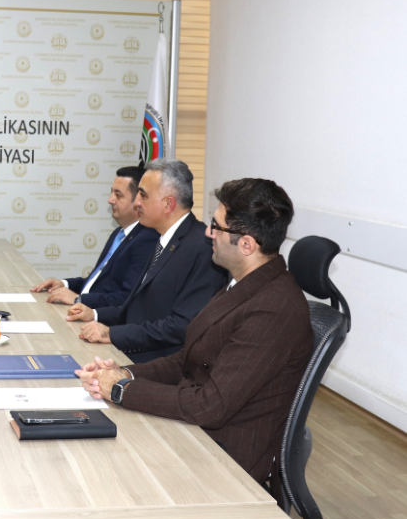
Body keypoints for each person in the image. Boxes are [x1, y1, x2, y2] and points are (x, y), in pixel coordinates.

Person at [77, 178, 313, 483]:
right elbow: (188, 359)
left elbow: (210, 405)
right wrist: (125, 374)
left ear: (246, 245)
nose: (208, 232)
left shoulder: (274, 308)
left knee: (101, 468)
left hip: (225, 457)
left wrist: (121, 390)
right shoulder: (243, 283)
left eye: (216, 226)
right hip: (196, 429)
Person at [67, 158, 227, 362]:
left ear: (168, 204)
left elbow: (183, 326)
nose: (136, 203)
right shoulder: (163, 239)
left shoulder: (202, 247)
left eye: (143, 195)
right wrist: (95, 315)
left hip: (158, 366)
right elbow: (138, 308)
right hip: (130, 354)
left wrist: (113, 334)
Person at [31, 165, 158, 308]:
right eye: (111, 193)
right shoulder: (118, 233)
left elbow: (126, 298)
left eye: (118, 195)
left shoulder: (146, 239)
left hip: (99, 317)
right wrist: (64, 284)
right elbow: (97, 283)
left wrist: (79, 299)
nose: (110, 200)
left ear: (138, 200)